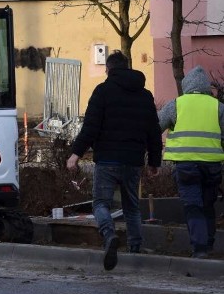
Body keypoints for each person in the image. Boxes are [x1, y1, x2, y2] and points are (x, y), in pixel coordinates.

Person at [66, 50, 162, 271]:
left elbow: (90, 127)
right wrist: (154, 162)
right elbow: (153, 132)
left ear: (108, 69)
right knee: (132, 207)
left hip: (107, 159)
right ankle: (136, 248)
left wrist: (75, 154)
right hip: (133, 160)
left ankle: (109, 235)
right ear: (127, 67)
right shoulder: (144, 95)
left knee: (101, 203)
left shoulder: (102, 91)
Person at [158, 66, 224, 259]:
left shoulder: (175, 105)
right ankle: (209, 244)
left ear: (186, 85)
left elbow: (156, 127)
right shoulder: (218, 107)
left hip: (185, 165)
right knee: (207, 204)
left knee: (192, 205)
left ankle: (200, 248)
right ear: (206, 87)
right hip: (212, 165)